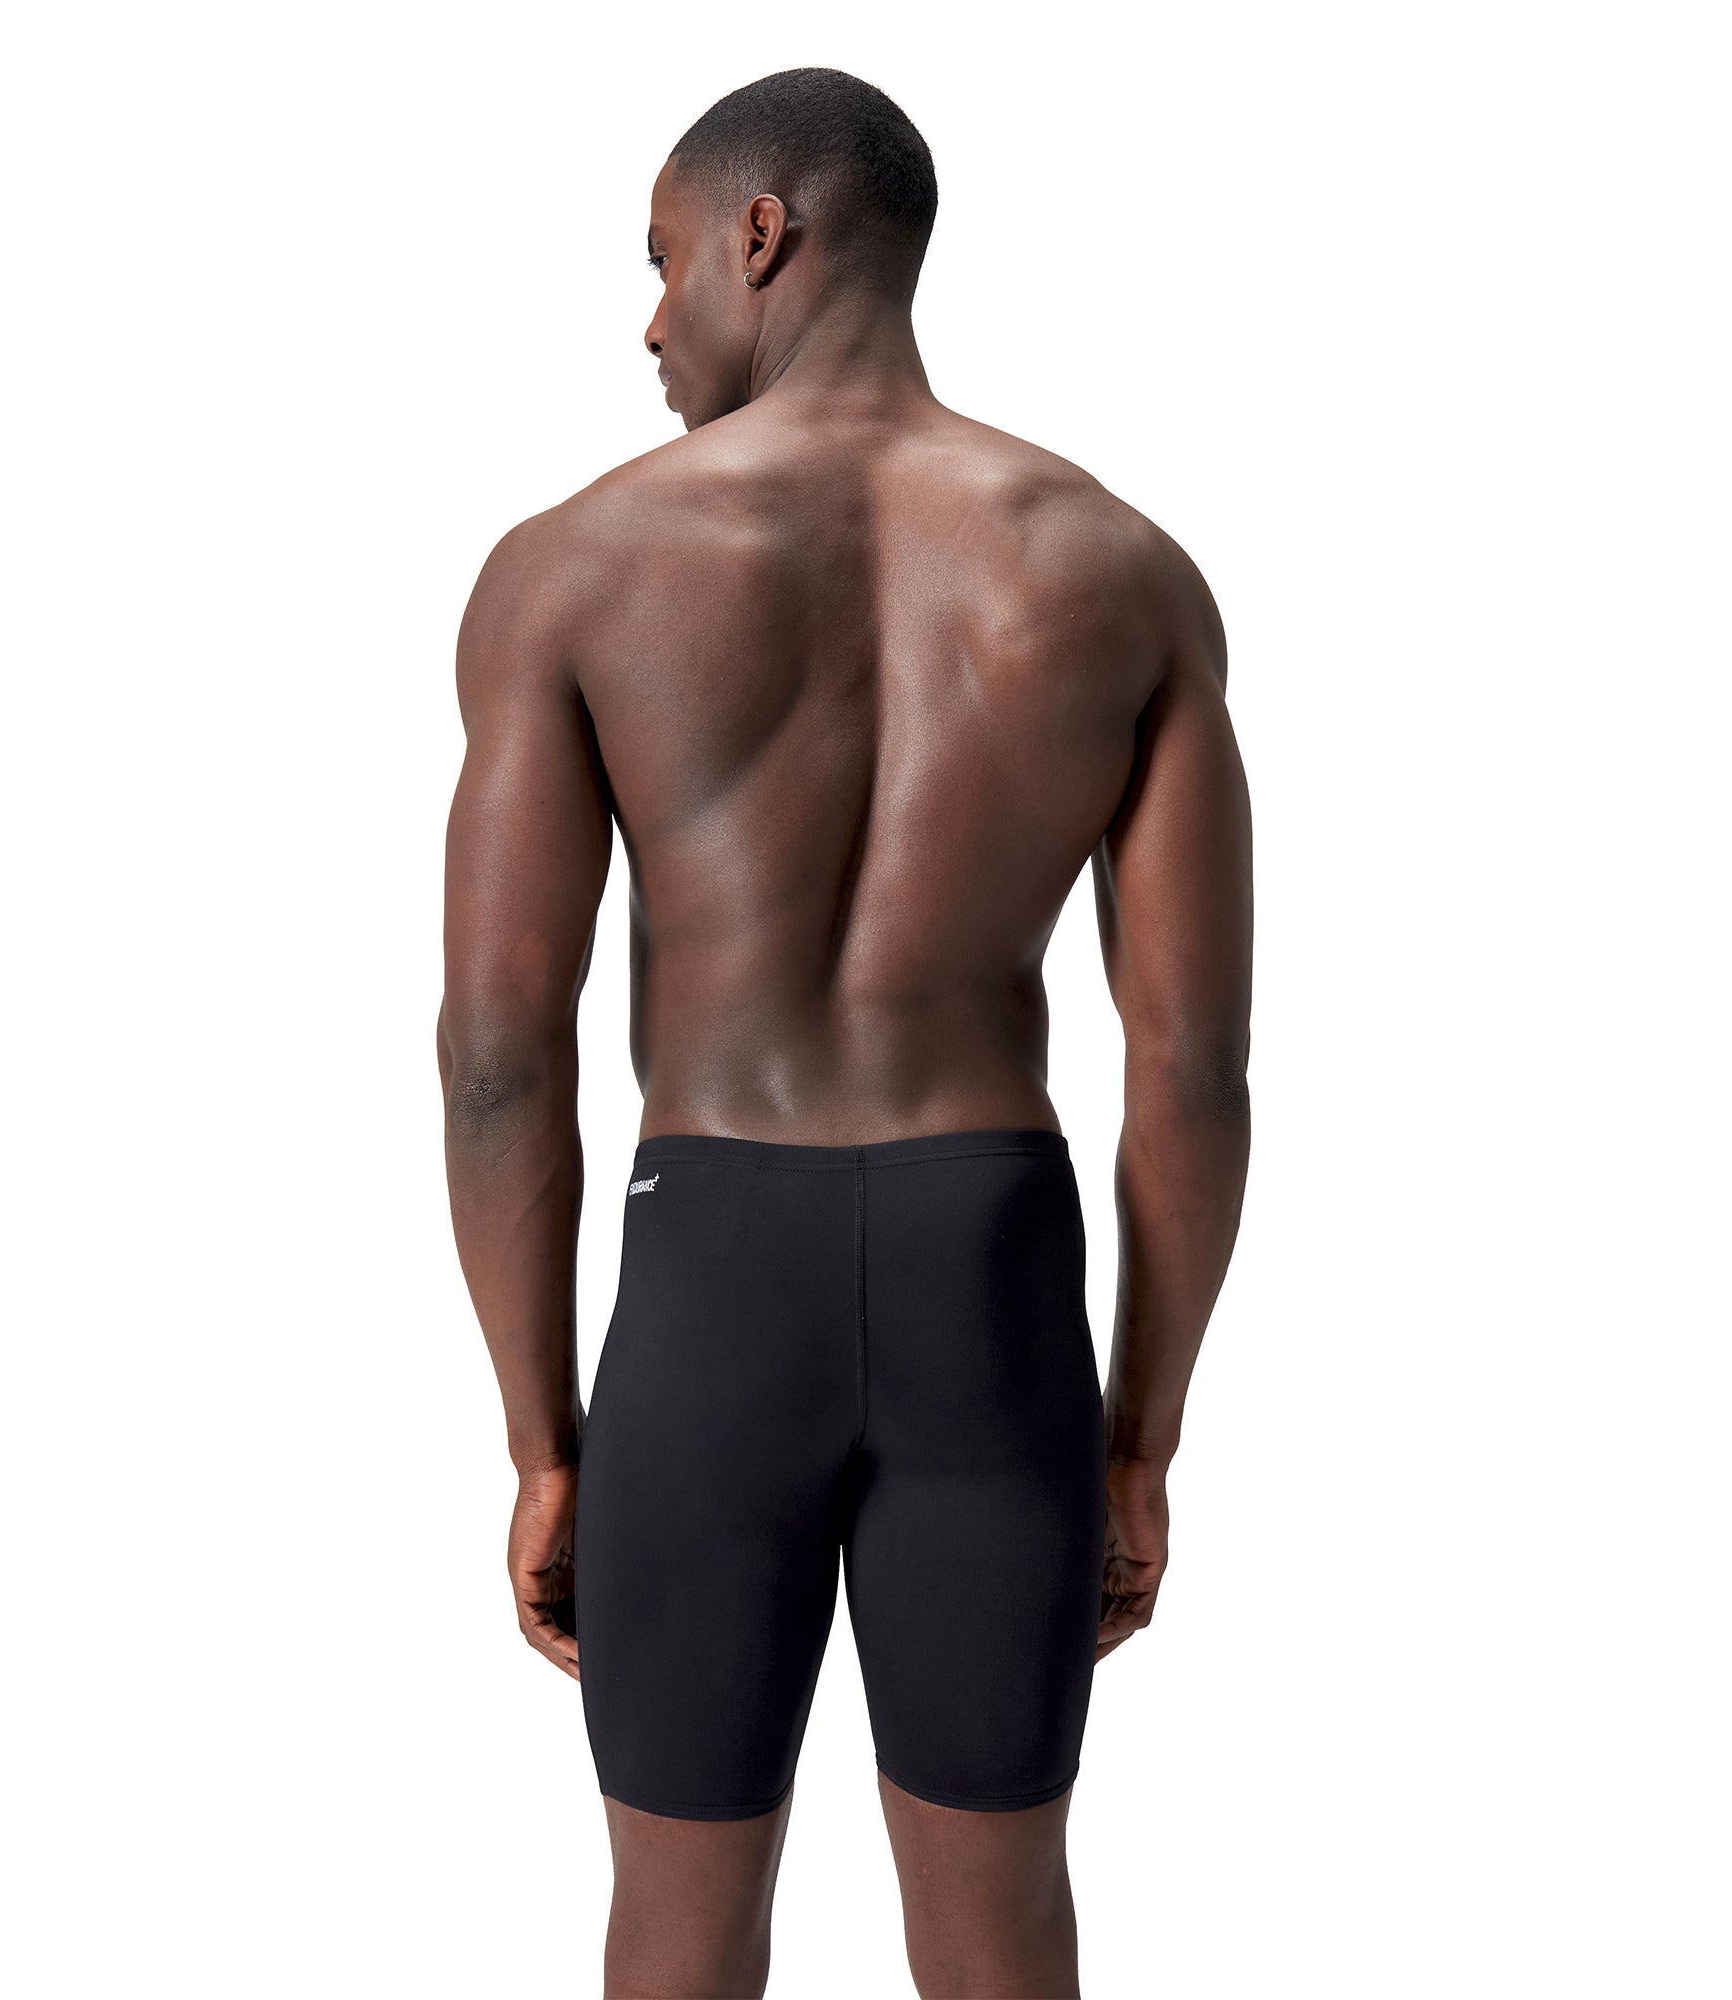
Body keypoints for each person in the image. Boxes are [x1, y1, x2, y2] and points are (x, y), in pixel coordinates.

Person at [439, 66, 1252, 2000]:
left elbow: (497, 1058)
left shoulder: (573, 568)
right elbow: (1190, 1073)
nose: (650, 324)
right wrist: (1140, 1442)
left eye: (660, 263)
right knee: (1001, 1926)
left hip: (712, 1276)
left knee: (679, 1932)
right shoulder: (1119, 570)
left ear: (762, 235)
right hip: (994, 1276)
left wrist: (547, 1447)